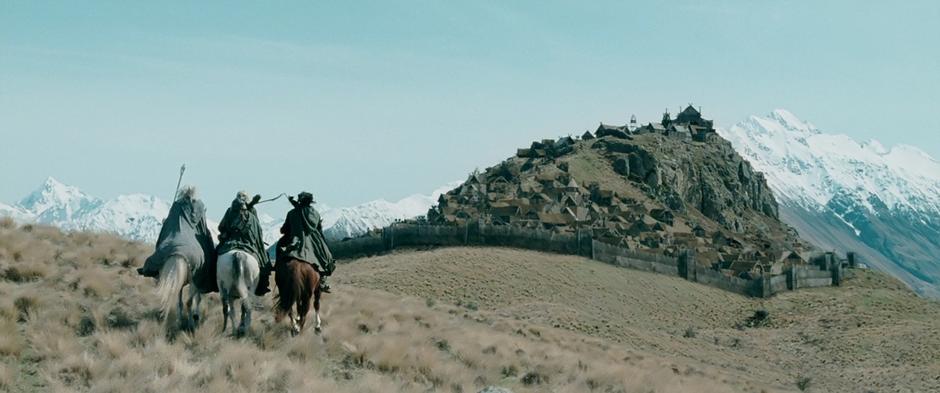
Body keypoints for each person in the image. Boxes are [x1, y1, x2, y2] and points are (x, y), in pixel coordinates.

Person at [137, 186, 218, 292]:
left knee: (161, 248)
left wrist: (166, 222)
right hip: (193, 243)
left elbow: (171, 222)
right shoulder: (200, 206)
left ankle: (149, 270)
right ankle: (211, 278)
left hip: (176, 236)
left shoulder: (177, 204)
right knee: (208, 254)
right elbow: (203, 227)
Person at [217, 191, 273, 296]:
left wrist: (225, 234)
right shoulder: (252, 213)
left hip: (230, 243)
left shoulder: (230, 211)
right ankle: (263, 285)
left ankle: (212, 280)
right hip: (249, 243)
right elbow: (257, 231)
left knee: (213, 257)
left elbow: (221, 227)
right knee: (264, 261)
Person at [277, 191, 334, 293]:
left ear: (299, 201)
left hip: (294, 239)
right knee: (327, 257)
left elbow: (284, 229)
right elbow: (316, 226)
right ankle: (322, 280)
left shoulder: (292, 213)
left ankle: (277, 268)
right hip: (313, 240)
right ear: (310, 202)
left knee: (279, 246)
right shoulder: (315, 213)